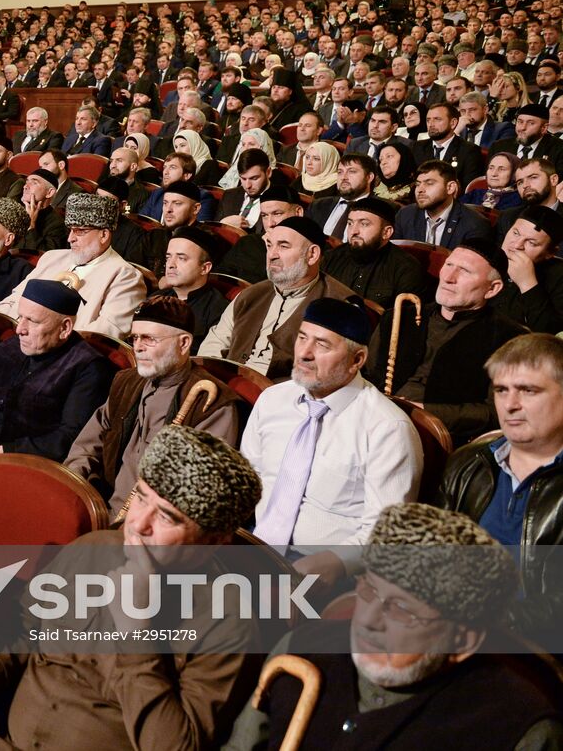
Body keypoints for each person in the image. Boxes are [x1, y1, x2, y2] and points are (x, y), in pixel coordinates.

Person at [0, 424, 263, 751]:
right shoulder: (91, 549)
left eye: (166, 517)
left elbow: (177, 746)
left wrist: (136, 632)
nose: (138, 524)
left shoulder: (228, 622)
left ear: (213, 541)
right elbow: (25, 634)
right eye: (141, 498)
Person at [223, 503, 561, 751]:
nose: (367, 620)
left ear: (462, 641)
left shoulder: (519, 729)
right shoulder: (300, 648)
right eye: (369, 590)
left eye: (400, 610)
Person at [244, 296, 419, 592]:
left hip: (323, 568)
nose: (304, 353)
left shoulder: (387, 429)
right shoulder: (273, 400)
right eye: (302, 338)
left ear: (357, 360)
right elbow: (248, 478)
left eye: (322, 345)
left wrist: (338, 561)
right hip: (253, 543)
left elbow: (386, 533)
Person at [434, 333, 563, 642]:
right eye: (501, 390)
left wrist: (480, 623)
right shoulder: (469, 463)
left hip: (532, 650)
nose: (510, 405)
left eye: (528, 390)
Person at [65, 296, 239, 505]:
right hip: (100, 504)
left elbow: (199, 491)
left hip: (151, 517)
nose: (138, 347)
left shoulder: (210, 403)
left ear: (183, 343)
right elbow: (87, 445)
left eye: (148, 339)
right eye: (135, 338)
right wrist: (75, 491)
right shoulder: (127, 381)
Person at [365, 240, 528, 443]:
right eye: (449, 265)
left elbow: (494, 412)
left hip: (440, 441)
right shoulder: (400, 316)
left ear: (492, 289)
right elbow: (367, 375)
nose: (449, 278)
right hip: (372, 422)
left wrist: (421, 412)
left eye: (465, 271)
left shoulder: (510, 340)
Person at [0, 279, 113, 468]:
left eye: (32, 321)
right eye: (20, 317)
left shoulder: (89, 367)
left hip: (30, 467)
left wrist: (1, 452)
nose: (19, 329)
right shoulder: (9, 347)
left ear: (64, 328)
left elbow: (70, 437)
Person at [200, 216, 357, 378]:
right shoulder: (250, 295)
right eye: (269, 245)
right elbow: (214, 344)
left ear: (312, 255)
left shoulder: (340, 305)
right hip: (230, 383)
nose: (271, 255)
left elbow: (327, 374)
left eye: (283, 246)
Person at [0, 193, 146, 339]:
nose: (70, 239)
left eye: (80, 231)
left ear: (104, 235)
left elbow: (103, 335)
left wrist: (47, 339)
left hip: (64, 354)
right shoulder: (51, 258)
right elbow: (9, 303)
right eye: (71, 230)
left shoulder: (126, 277)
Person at [322, 197, 427, 308]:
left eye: (364, 224)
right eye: (350, 223)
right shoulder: (332, 257)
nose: (353, 231)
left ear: (386, 232)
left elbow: (404, 316)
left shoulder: (406, 268)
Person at [148, 225, 229, 343]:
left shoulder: (218, 311)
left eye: (181, 258)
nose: (170, 265)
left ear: (205, 268)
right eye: (168, 258)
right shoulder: (155, 299)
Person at [493, 205, 563, 332]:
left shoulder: (559, 277)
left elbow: (551, 335)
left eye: (531, 243)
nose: (516, 245)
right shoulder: (488, 257)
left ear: (550, 252)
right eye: (515, 233)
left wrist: (528, 284)